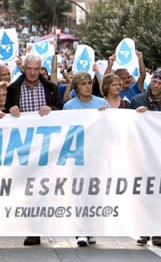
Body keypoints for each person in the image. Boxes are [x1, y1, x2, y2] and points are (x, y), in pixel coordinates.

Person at [4, 53, 62, 246]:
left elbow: (61, 111)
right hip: (22, 145)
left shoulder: (50, 88)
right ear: (24, 68)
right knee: (26, 187)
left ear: (40, 69)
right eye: (29, 68)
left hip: (46, 145)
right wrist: (10, 109)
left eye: (36, 69)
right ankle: (30, 226)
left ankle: (37, 229)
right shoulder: (13, 88)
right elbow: (3, 113)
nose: (32, 72)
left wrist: (52, 109)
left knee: (42, 187)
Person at [128, 69, 161, 247]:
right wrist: (135, 114)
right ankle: (143, 229)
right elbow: (127, 124)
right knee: (144, 192)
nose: (156, 85)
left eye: (160, 82)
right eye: (154, 81)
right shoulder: (138, 100)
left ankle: (157, 231)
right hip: (143, 152)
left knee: (160, 192)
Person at [62, 72, 108, 246]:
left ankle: (91, 229)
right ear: (76, 87)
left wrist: (105, 116)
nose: (88, 86)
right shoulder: (69, 106)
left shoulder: (102, 103)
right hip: (78, 155)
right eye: (83, 83)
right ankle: (80, 231)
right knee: (79, 193)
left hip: (96, 154)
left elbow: (109, 128)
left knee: (93, 193)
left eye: (89, 83)